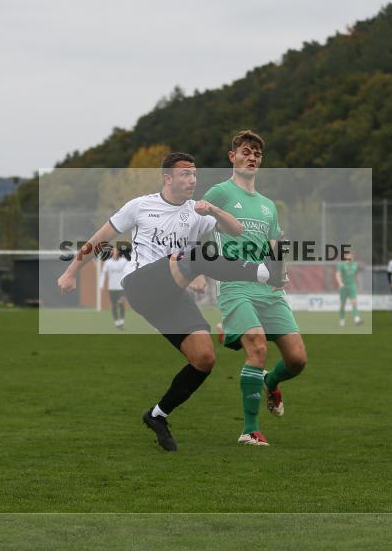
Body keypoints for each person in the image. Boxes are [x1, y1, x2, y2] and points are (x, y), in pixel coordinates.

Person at [57, 151, 286, 451]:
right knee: (191, 256)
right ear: (168, 178)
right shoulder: (140, 206)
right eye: (185, 174)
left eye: (194, 174)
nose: (192, 179)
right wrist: (71, 271)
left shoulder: (197, 211)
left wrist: (214, 211)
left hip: (171, 295)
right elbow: (100, 239)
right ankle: (261, 272)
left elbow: (236, 229)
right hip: (140, 285)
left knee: (204, 359)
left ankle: (157, 415)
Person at [203, 130, 307, 446]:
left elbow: (275, 244)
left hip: (268, 289)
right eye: (246, 151)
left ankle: (270, 382)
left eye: (257, 154)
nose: (252, 157)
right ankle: (250, 429)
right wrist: (193, 267)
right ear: (232, 156)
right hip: (235, 284)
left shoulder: (267, 205)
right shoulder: (219, 192)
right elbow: (195, 227)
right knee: (258, 347)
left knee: (297, 360)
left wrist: (282, 273)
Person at [99, 246, 128, 330]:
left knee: (121, 303)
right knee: (114, 305)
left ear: (118, 252)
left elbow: (128, 271)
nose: (114, 252)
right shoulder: (108, 263)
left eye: (116, 251)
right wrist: (101, 285)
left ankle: (122, 321)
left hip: (121, 287)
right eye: (113, 251)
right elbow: (103, 274)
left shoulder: (124, 261)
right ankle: (117, 322)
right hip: (112, 287)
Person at [335, 249, 362, 327]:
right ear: (345, 256)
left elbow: (356, 276)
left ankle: (357, 318)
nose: (350, 256)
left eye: (351, 255)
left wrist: (359, 285)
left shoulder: (355, 265)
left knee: (354, 302)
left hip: (352, 286)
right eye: (348, 255)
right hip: (343, 287)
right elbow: (337, 274)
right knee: (343, 304)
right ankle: (342, 319)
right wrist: (340, 283)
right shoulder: (341, 264)